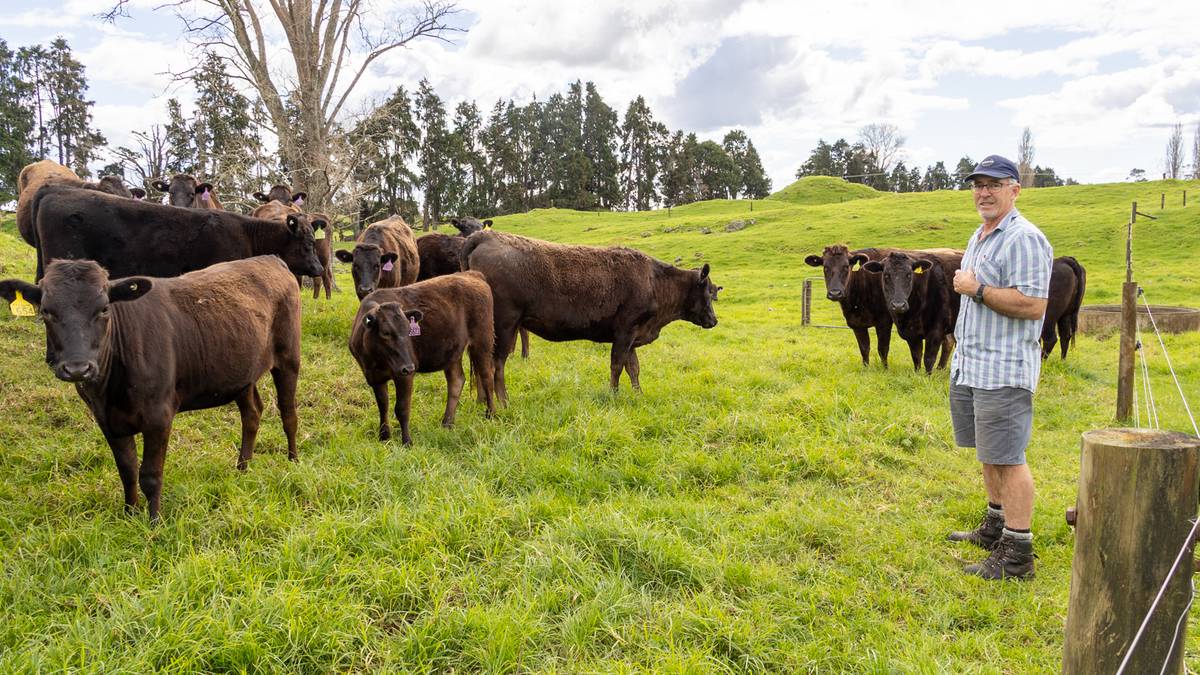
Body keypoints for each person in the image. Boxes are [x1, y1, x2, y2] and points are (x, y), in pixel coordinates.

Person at [947, 155, 1053, 580]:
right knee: (989, 452)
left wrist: (978, 289)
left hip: (1003, 369)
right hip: (972, 365)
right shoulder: (982, 233)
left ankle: (1017, 554)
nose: (984, 192)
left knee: (1008, 457)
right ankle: (995, 526)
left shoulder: (1023, 238)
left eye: (994, 184)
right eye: (978, 184)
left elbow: (1033, 305)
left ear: (1015, 190)